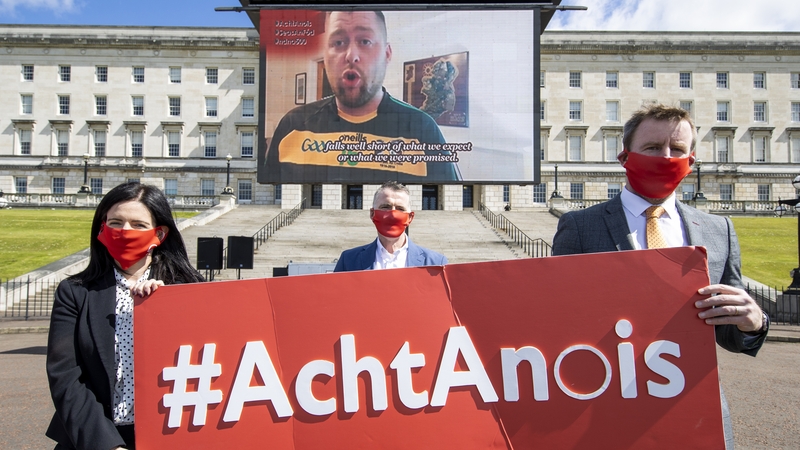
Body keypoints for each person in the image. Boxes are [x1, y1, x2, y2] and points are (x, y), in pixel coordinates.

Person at [551, 104, 769, 449]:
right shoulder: (579, 226)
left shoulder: (718, 230)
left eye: (677, 150)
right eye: (652, 148)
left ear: (691, 161)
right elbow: (555, 318)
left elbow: (729, 332)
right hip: (604, 408)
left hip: (694, 411)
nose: (666, 157)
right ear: (625, 156)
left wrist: (753, 322)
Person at [46, 182, 204, 450]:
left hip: (170, 434)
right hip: (96, 435)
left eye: (138, 224)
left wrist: (170, 305)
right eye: (116, 222)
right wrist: (107, 445)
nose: (125, 231)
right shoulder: (75, 292)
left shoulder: (189, 290)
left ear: (160, 234)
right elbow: (66, 377)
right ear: (102, 228)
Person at [264, 10, 461, 183]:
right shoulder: (292, 125)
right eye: (338, 42)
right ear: (325, 55)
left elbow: (445, 211)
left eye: (365, 41)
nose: (351, 55)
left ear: (387, 54)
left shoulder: (423, 130)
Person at [334, 181, 447, 272]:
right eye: (385, 207)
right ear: (372, 214)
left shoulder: (435, 262)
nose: (393, 214)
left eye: (400, 208)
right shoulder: (349, 261)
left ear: (410, 217)